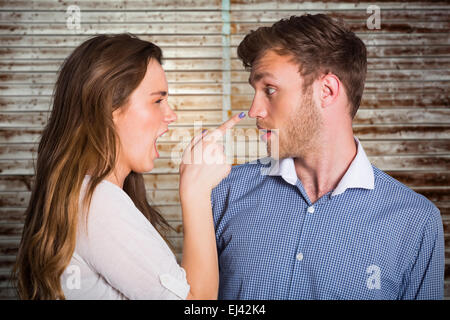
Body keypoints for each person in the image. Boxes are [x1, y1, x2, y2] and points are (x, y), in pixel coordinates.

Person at [211, 14, 444, 300]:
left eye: (269, 90)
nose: (255, 109)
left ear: (327, 90)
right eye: (255, 91)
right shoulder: (222, 192)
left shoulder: (415, 222)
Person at [12, 33, 244, 299]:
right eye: (157, 100)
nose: (171, 115)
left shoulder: (79, 197)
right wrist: (196, 193)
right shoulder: (98, 203)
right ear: (109, 109)